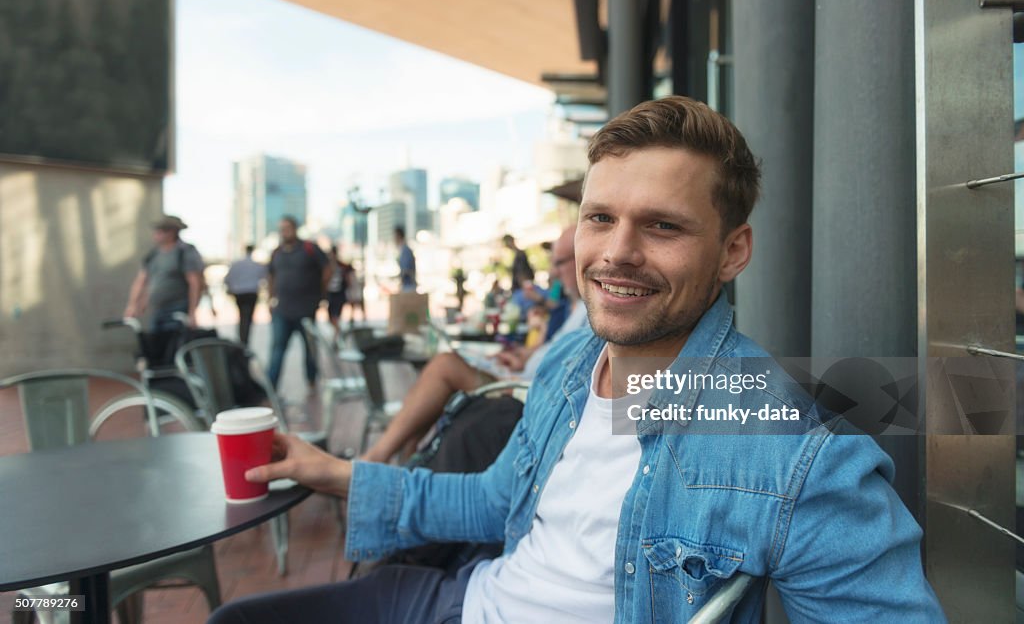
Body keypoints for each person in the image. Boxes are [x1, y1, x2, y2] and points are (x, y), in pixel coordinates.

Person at [209, 97, 944, 623]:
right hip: (465, 598)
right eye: (601, 218)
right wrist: (333, 472)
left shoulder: (795, 454)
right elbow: (495, 503)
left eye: (661, 225)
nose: (617, 252)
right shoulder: (570, 361)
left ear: (733, 252)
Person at [361, 225, 586, 464]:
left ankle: (376, 459)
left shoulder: (594, 316)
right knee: (442, 377)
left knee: (445, 366)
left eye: (559, 262)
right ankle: (402, 467)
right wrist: (524, 356)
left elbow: (614, 412)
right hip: (522, 378)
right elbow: (557, 350)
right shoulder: (581, 309)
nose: (553, 272)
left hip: (526, 391)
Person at [266, 216, 330, 391]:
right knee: (277, 349)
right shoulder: (276, 252)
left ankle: (311, 380)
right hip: (282, 310)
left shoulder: (310, 248)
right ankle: (270, 386)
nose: (284, 231)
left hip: (306, 309)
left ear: (295, 228)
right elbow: (271, 276)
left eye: (287, 227)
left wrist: (321, 292)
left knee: (309, 349)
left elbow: (327, 268)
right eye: (282, 228)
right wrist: (270, 299)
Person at [124, 215, 204, 331]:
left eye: (160, 231)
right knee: (156, 343)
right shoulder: (154, 254)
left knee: (172, 342)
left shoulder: (184, 252)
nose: (156, 234)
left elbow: (195, 283)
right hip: (158, 309)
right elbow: (143, 281)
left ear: (171, 233)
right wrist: (134, 304)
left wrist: (192, 313)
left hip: (178, 308)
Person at [223, 244, 267, 347]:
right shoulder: (256, 265)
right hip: (251, 293)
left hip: (239, 294)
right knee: (248, 317)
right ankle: (245, 339)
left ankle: (242, 338)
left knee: (242, 315)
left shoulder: (237, 264)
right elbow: (264, 278)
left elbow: (227, 279)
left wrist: (231, 288)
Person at [325, 245, 351, 340]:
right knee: (331, 317)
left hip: (339, 295)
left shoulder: (341, 266)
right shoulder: (327, 266)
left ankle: (336, 337)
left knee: (335, 316)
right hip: (331, 295)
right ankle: (338, 332)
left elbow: (348, 280)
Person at [395, 226, 417, 292]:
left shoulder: (405, 251)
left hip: (408, 287)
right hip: (408, 286)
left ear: (398, 236)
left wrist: (398, 280)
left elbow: (406, 270)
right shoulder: (404, 250)